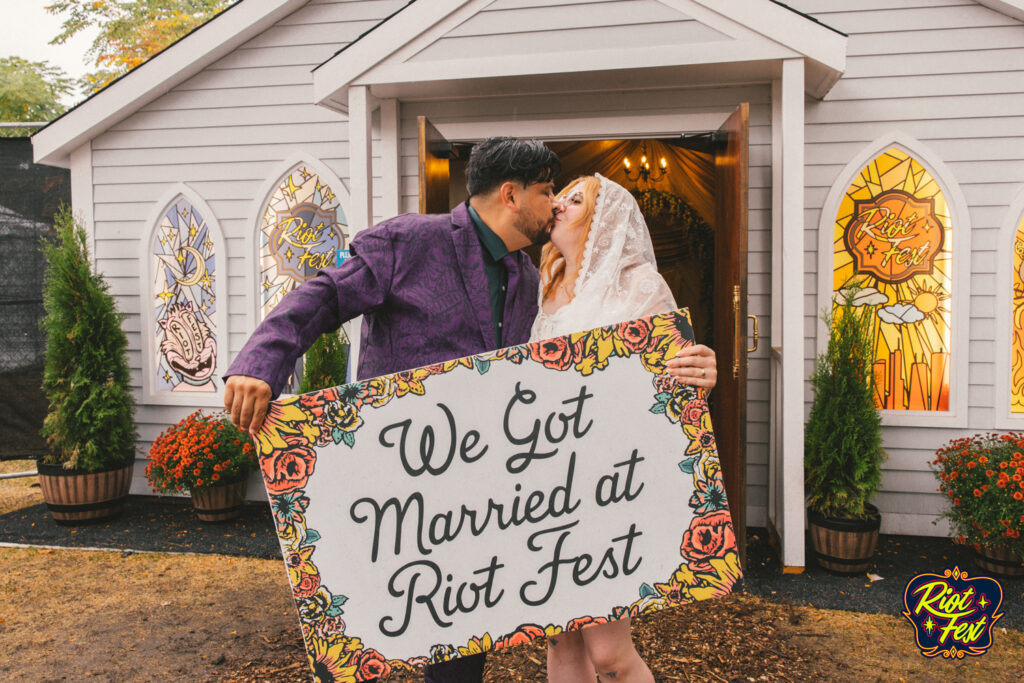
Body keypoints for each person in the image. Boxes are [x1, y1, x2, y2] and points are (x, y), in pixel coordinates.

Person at [224, 139, 714, 681]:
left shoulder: (532, 281)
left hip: (477, 503)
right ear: (511, 193)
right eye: (547, 191)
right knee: (358, 638)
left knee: (458, 649)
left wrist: (692, 369)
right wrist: (260, 362)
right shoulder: (410, 240)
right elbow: (325, 295)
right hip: (394, 480)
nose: (553, 204)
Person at [533, 174, 717, 683]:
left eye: (575, 199)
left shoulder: (638, 283)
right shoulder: (544, 286)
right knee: (561, 640)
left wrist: (702, 372)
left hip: (612, 482)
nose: (559, 204)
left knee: (610, 655)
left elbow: (676, 374)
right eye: (559, 196)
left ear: (604, 217)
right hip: (548, 484)